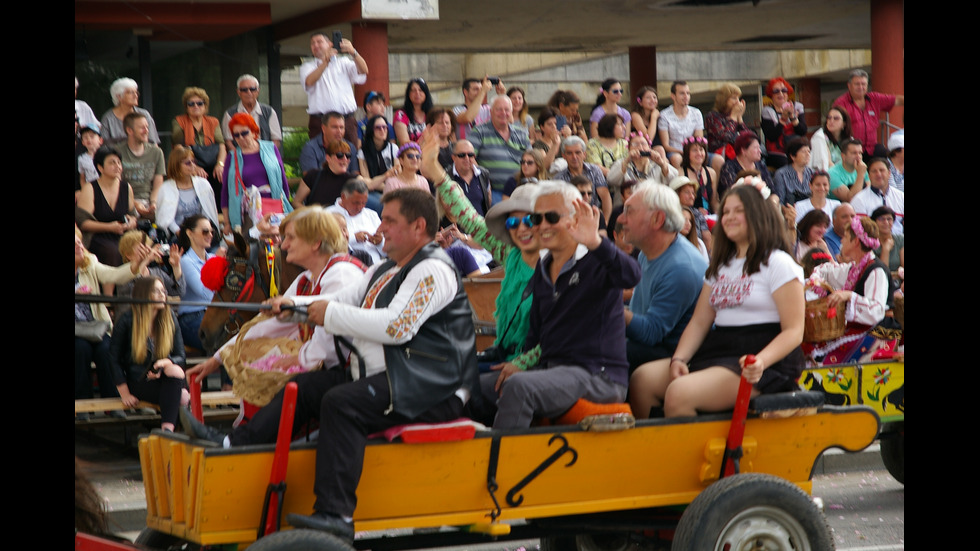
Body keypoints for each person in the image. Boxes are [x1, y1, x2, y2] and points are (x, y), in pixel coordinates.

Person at [247, 188, 479, 541]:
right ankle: (233, 444)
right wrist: (291, 303)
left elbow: (397, 326)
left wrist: (330, 314)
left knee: (341, 403)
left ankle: (336, 513)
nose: (380, 227)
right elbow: (340, 300)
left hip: (433, 387)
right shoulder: (386, 267)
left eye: (389, 220)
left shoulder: (433, 268)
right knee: (306, 388)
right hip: (398, 376)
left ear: (418, 226)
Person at [182, 206, 368, 433]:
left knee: (292, 385)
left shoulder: (341, 274)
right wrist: (219, 358)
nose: (283, 244)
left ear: (315, 243)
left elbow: (328, 345)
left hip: (350, 376)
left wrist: (298, 358)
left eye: (290, 237)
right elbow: (267, 323)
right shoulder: (305, 279)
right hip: (326, 369)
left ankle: (242, 442)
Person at [629, 183, 805, 418]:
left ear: (757, 214)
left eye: (738, 211)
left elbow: (794, 331)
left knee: (680, 393)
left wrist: (760, 362)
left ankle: (689, 455)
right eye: (726, 212)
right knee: (642, 380)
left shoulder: (779, 263)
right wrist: (679, 359)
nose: (729, 217)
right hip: (719, 349)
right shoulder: (720, 267)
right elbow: (700, 322)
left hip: (763, 358)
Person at [481, 180, 641, 429]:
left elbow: (631, 275)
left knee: (519, 388)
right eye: (537, 219)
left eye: (552, 217)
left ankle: (503, 465)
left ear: (574, 219)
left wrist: (595, 242)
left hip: (598, 375)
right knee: (474, 386)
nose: (542, 225)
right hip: (552, 371)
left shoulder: (595, 258)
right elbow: (535, 337)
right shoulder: (543, 269)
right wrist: (519, 362)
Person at [422, 126, 541, 374]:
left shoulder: (560, 262)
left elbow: (559, 331)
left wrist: (520, 364)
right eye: (513, 221)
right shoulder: (510, 253)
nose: (521, 228)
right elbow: (471, 218)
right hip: (505, 352)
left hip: (535, 364)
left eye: (530, 220)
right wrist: (436, 174)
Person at [620, 181, 708, 370]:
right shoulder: (647, 251)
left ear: (657, 220)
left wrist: (610, 309)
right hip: (651, 344)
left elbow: (652, 333)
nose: (621, 219)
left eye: (630, 211)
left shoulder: (682, 268)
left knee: (603, 352)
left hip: (676, 355)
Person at [76, 227, 152, 410]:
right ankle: (82, 404)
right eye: (75, 243)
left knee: (106, 350)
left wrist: (136, 265)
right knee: (81, 349)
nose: (79, 245)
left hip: (96, 327)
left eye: (79, 241)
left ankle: (113, 404)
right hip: (77, 333)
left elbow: (114, 275)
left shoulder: (90, 262)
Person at [805, 216, 897, 365]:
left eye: (846, 237)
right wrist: (816, 278)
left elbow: (876, 310)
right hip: (862, 328)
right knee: (813, 345)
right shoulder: (855, 268)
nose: (841, 241)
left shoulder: (876, 270)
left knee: (823, 356)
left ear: (855, 241)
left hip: (879, 332)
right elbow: (828, 272)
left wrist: (848, 295)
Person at [110, 276, 189, 431]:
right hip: (139, 380)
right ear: (143, 294)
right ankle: (171, 431)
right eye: (156, 291)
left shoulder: (170, 317)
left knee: (174, 370)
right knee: (181, 396)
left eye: (163, 291)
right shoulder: (127, 320)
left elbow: (181, 356)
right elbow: (113, 358)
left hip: (166, 376)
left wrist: (165, 362)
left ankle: (167, 431)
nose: (162, 295)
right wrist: (124, 392)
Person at [222, 113, 292, 235]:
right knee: (254, 250)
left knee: (278, 248)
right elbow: (225, 192)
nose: (241, 138)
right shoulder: (232, 157)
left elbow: (283, 181)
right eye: (236, 135)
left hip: (274, 207)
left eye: (244, 133)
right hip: (248, 213)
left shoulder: (271, 148)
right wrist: (227, 223)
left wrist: (285, 206)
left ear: (254, 132)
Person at [300, 32, 368, 143]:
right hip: (320, 121)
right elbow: (309, 81)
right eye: (312, 43)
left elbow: (364, 70)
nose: (316, 45)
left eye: (319, 42)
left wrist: (353, 52)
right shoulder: (307, 66)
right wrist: (326, 62)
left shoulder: (344, 62)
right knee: (320, 157)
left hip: (346, 120)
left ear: (330, 44)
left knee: (349, 156)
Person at [77, 149, 138, 267]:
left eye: (119, 162)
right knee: (113, 251)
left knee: (142, 246)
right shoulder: (90, 188)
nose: (117, 166)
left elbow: (133, 216)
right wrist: (109, 227)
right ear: (100, 167)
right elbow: (83, 223)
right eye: (112, 163)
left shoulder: (126, 188)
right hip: (98, 236)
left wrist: (131, 222)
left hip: (123, 234)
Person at [468, 95, 531, 204]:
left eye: (507, 110)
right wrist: (485, 184)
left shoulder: (521, 133)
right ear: (491, 112)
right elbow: (469, 157)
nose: (503, 113)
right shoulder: (479, 132)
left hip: (520, 189)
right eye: (499, 109)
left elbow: (532, 159)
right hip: (494, 191)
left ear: (511, 112)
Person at [833, 69, 904, 158]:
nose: (861, 87)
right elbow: (834, 125)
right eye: (857, 84)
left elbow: (897, 100)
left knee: (887, 155)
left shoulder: (874, 99)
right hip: (851, 149)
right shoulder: (841, 103)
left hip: (872, 148)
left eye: (863, 84)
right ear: (849, 85)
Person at [114, 230, 185, 319]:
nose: (147, 251)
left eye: (148, 248)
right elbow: (137, 286)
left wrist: (176, 266)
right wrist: (146, 260)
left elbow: (179, 292)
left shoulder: (156, 272)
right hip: (133, 321)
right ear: (128, 255)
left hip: (156, 321)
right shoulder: (123, 273)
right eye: (142, 249)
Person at [156, 145, 220, 237]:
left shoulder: (204, 184)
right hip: (176, 236)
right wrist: (180, 233)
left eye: (194, 161)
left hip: (202, 234)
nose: (193, 165)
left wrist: (199, 232)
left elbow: (207, 214)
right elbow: (166, 219)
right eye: (188, 163)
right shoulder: (165, 188)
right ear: (176, 166)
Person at [176, 215, 217, 357]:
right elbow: (206, 294)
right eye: (205, 231)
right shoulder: (186, 261)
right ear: (190, 233)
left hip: (213, 314)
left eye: (212, 232)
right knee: (223, 344)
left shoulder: (213, 258)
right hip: (191, 317)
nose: (210, 235)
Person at [171, 86, 227, 189]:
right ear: (186, 107)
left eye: (200, 103)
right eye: (191, 104)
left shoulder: (213, 121)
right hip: (189, 164)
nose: (195, 106)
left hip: (212, 164)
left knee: (220, 177)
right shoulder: (179, 121)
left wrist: (220, 164)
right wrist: (194, 167)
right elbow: (178, 147)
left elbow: (222, 146)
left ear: (205, 106)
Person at [115, 112, 166, 218]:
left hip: (150, 199)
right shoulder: (116, 152)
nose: (146, 131)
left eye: (147, 127)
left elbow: (158, 184)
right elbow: (116, 184)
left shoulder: (156, 152)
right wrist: (134, 203)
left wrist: (153, 203)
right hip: (124, 200)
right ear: (130, 130)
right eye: (142, 128)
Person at [553, 136, 612, 221]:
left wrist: (605, 222)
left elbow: (605, 197)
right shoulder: (558, 178)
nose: (574, 157)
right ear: (564, 156)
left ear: (584, 154)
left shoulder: (595, 170)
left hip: (594, 217)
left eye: (578, 152)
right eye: (569, 153)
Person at [326, 179, 385, 264]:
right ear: (343, 197)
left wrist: (380, 242)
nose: (360, 207)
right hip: (345, 267)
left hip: (376, 268)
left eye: (364, 203)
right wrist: (354, 238)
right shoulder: (327, 214)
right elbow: (324, 246)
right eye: (356, 203)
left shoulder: (371, 214)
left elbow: (388, 252)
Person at [222, 74, 282, 151]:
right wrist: (239, 156)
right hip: (240, 158)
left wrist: (265, 154)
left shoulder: (269, 112)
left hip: (265, 157)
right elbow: (228, 141)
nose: (249, 92)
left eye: (252, 89)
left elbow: (276, 140)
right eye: (244, 90)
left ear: (258, 91)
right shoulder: (230, 114)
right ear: (238, 92)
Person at [295, 140, 359, 208]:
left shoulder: (352, 179)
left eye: (348, 155)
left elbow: (369, 183)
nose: (345, 159)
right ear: (328, 158)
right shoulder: (313, 175)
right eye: (339, 155)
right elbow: (296, 202)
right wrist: (312, 215)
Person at [607, 132, 678, 193]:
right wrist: (626, 162)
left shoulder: (657, 163)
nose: (640, 148)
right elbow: (611, 180)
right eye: (635, 144)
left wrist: (662, 164)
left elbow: (674, 180)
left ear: (649, 147)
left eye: (643, 144)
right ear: (628, 149)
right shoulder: (622, 162)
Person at [849, 157, 905, 235]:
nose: (878, 174)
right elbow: (859, 230)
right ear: (869, 175)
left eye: (882, 170)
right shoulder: (859, 199)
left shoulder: (901, 197)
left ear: (889, 173)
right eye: (874, 171)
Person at [100, 77, 160, 147]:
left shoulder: (144, 114)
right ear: (119, 97)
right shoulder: (108, 118)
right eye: (131, 93)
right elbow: (104, 146)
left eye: (136, 92)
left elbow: (154, 143)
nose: (136, 96)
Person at [760, 78, 806, 169]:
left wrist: (792, 117)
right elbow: (771, 136)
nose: (780, 94)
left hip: (796, 149)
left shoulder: (798, 106)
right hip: (777, 153)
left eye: (784, 90)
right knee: (788, 164)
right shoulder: (767, 111)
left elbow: (802, 131)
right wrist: (783, 119)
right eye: (776, 91)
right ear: (771, 95)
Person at [658, 81, 705, 169]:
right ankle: (682, 182)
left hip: (694, 151)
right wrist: (683, 152)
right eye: (682, 93)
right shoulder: (664, 115)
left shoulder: (696, 113)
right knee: (677, 159)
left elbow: (699, 140)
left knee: (718, 160)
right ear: (673, 96)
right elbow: (666, 145)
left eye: (688, 93)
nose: (686, 96)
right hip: (674, 151)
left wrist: (692, 152)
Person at [358, 114, 400, 210]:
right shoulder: (363, 152)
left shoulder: (393, 148)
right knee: (382, 205)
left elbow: (398, 173)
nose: (382, 130)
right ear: (371, 130)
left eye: (384, 127)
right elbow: (367, 181)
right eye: (378, 127)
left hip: (394, 188)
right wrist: (387, 187)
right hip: (373, 190)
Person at [300, 112, 359, 177]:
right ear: (323, 128)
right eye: (334, 127)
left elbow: (355, 175)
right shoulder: (310, 148)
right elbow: (310, 179)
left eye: (341, 127)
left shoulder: (350, 147)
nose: (339, 131)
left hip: (347, 186)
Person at [718, 131, 774, 198]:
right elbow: (733, 193)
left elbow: (773, 192)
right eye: (756, 148)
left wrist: (773, 202)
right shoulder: (729, 167)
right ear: (743, 150)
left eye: (759, 148)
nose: (760, 151)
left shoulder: (761, 165)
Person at [705, 82, 748, 163]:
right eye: (734, 98)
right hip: (720, 156)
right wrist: (734, 116)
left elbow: (747, 138)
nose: (737, 102)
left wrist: (740, 118)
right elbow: (726, 136)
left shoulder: (734, 116)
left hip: (737, 153)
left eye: (738, 98)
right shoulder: (712, 116)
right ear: (724, 99)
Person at [448, 139, 491, 215]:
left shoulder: (483, 174)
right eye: (462, 155)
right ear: (453, 158)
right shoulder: (446, 177)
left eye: (470, 155)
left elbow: (488, 202)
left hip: (480, 225)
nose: (467, 158)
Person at [668, 175, 711, 252]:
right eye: (687, 192)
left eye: (693, 193)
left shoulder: (697, 213)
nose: (692, 196)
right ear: (676, 194)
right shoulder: (669, 213)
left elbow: (706, 236)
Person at [680, 136, 718, 214]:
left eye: (701, 149)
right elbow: (679, 203)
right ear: (687, 153)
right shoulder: (681, 173)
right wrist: (696, 212)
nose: (699, 153)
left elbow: (714, 201)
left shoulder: (711, 173)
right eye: (694, 150)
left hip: (708, 215)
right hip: (690, 216)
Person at [772, 137, 814, 205]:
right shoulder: (781, 174)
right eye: (803, 151)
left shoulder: (812, 173)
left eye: (809, 151)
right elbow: (779, 201)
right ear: (792, 156)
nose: (807, 154)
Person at [586, 114, 630, 178]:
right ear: (609, 126)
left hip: (624, 179)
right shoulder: (592, 145)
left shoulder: (624, 143)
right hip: (602, 181)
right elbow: (597, 167)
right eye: (620, 124)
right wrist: (616, 176)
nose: (624, 127)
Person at [809, 106, 851, 172]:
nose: (831, 121)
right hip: (826, 177)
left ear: (844, 124)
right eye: (829, 118)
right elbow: (825, 165)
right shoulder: (819, 137)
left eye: (836, 118)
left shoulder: (850, 140)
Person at [827, 138, 868, 202]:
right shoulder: (832, 173)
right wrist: (860, 174)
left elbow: (869, 193)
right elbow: (851, 199)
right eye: (854, 153)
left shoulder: (862, 168)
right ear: (843, 156)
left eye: (860, 153)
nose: (858, 156)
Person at [394, 78, 433, 145]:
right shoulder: (401, 115)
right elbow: (404, 142)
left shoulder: (432, 114)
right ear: (408, 94)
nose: (417, 93)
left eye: (420, 90)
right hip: (411, 154)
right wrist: (424, 139)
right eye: (413, 90)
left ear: (426, 93)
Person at [630, 86, 664, 153]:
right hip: (642, 148)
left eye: (654, 97)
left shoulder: (659, 115)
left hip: (658, 148)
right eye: (648, 98)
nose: (652, 100)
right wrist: (653, 118)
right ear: (640, 102)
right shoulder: (635, 115)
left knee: (661, 150)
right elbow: (648, 139)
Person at [871, 206, 903, 271]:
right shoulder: (870, 243)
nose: (886, 222)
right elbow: (882, 272)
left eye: (889, 219)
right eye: (881, 219)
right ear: (874, 222)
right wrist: (885, 250)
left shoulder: (900, 239)